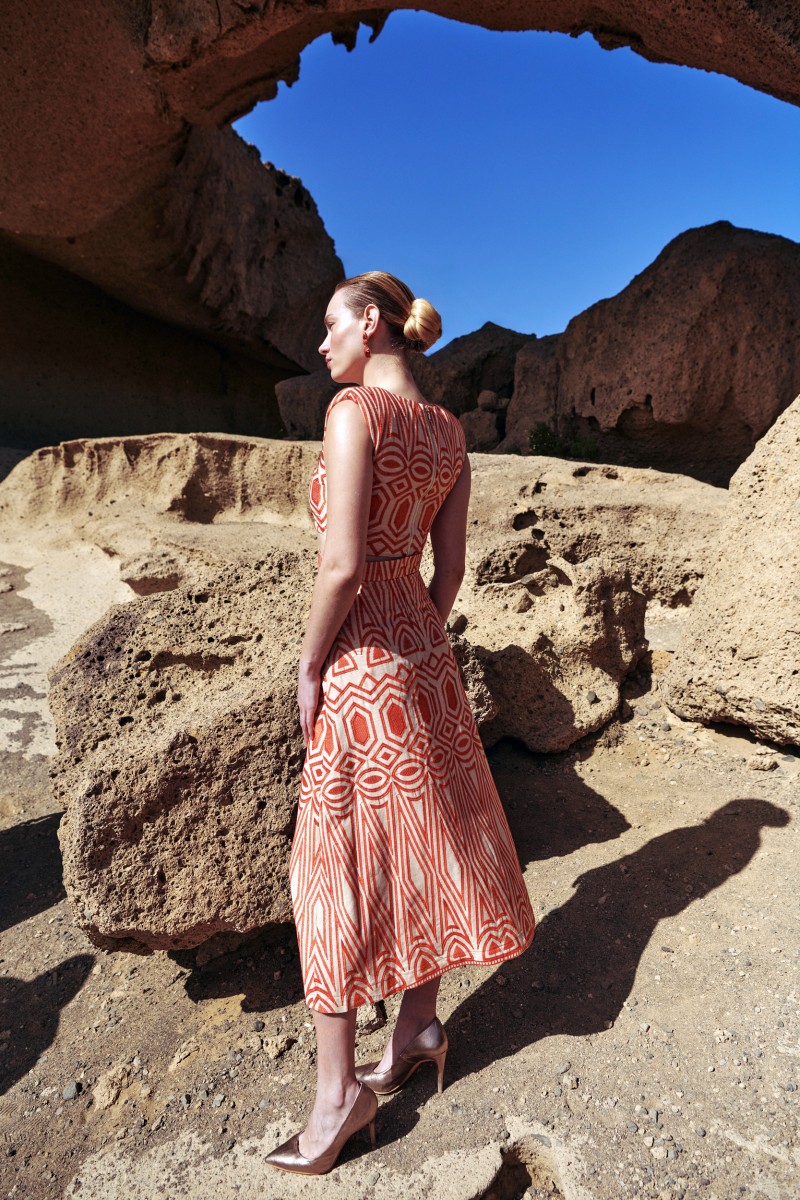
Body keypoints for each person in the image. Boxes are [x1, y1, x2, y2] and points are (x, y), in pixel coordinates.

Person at [265, 271, 536, 1175]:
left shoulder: (354, 417)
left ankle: (340, 1097)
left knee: (329, 864)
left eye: (330, 324)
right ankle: (418, 1024)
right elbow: (450, 572)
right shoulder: (450, 432)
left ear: (371, 324)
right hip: (423, 645)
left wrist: (310, 663)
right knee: (423, 841)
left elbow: (340, 564)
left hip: (362, 660)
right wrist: (414, 621)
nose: (321, 345)